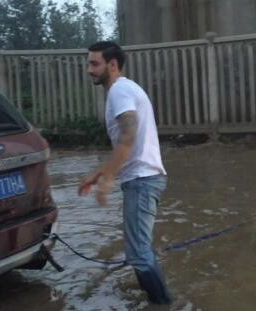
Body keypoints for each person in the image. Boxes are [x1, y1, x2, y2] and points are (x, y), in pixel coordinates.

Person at [78, 41, 171, 304]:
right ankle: (153, 299)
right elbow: (126, 142)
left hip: (142, 180)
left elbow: (128, 136)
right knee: (137, 252)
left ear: (113, 64)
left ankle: (163, 304)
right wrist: (99, 173)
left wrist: (107, 179)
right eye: (89, 63)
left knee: (139, 254)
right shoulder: (125, 89)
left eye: (94, 63)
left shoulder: (119, 91)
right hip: (144, 178)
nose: (89, 70)